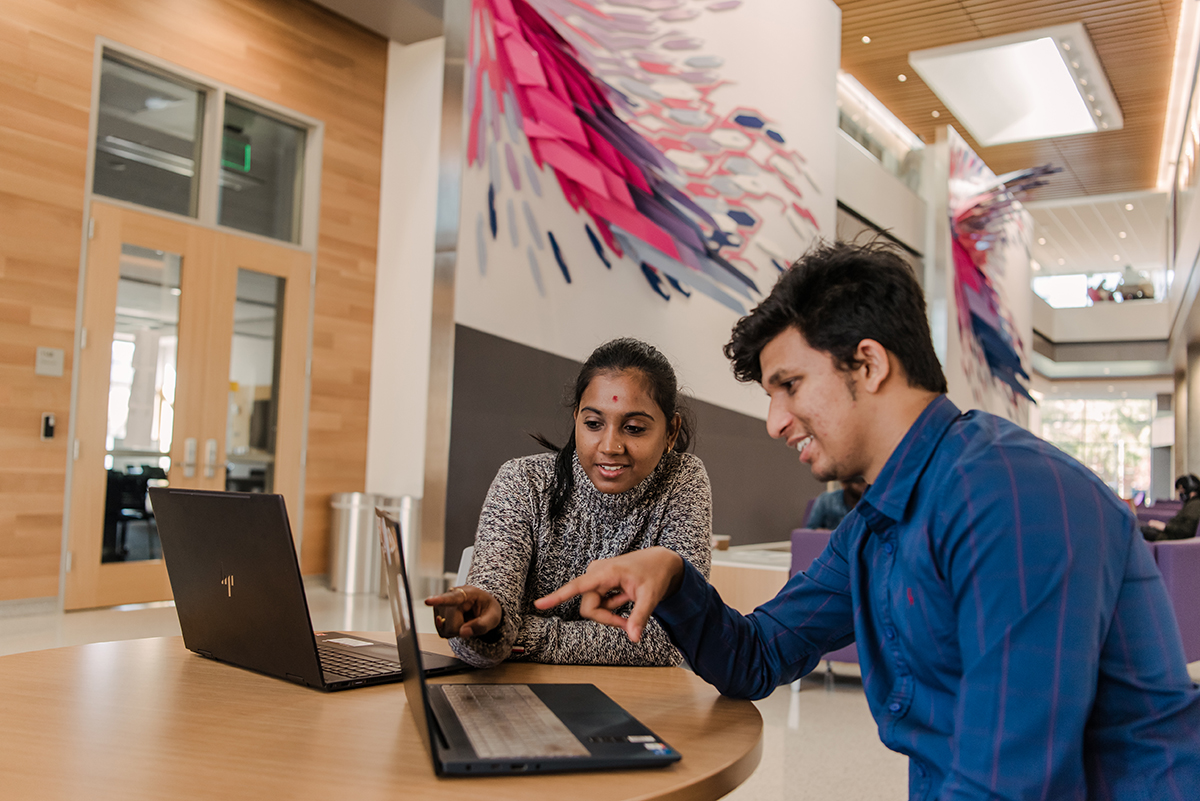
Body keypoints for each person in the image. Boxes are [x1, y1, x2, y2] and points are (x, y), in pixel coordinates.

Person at [538, 241, 1200, 800]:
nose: (773, 422)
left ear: (870, 363)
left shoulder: (1012, 493)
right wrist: (674, 577)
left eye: (789, 386)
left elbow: (1009, 779)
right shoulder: (877, 523)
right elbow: (756, 658)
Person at [425, 337, 711, 668]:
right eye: (593, 424)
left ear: (671, 432)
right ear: (576, 419)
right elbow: (480, 640)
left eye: (633, 428)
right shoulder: (524, 482)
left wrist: (517, 631)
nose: (610, 446)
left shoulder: (682, 480)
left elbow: (672, 639)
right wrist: (488, 629)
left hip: (631, 701)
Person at [1142, 473, 1200, 541]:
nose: (1181, 493)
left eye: (1182, 490)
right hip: (1169, 535)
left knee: (1139, 531)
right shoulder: (1191, 504)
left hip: (1172, 539)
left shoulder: (1195, 505)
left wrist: (1165, 527)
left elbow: (1186, 530)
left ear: (1190, 489)